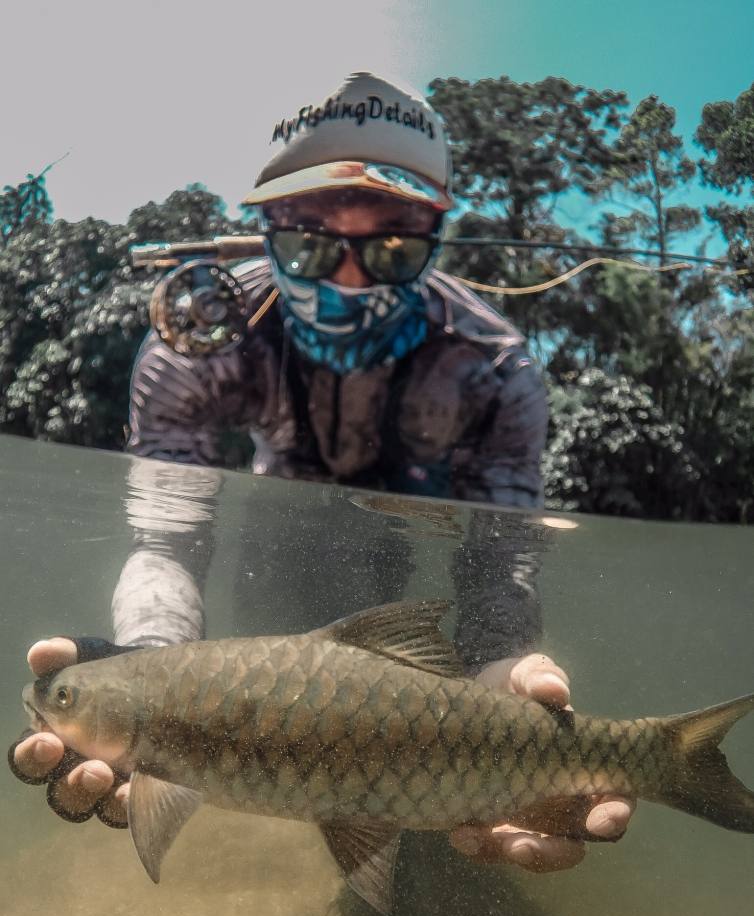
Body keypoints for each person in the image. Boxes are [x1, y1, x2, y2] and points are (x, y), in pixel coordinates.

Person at [10, 71, 633, 871]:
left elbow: (497, 563)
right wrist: (143, 664)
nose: (347, 278)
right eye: (307, 239)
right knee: (318, 764)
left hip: (404, 551)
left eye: (394, 245)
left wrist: (501, 674)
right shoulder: (196, 340)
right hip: (273, 550)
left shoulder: (496, 369)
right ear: (263, 226)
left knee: (434, 800)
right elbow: (166, 535)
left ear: (437, 232)